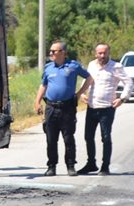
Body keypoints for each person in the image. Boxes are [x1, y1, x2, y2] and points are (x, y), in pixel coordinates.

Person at [33, 41, 92, 176]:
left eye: (54, 51)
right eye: (51, 51)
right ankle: (51, 166)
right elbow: (43, 86)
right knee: (51, 139)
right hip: (51, 107)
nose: (51, 54)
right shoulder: (48, 68)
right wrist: (37, 102)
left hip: (67, 108)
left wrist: (79, 93)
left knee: (68, 138)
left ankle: (71, 166)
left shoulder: (73, 66)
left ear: (63, 53)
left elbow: (89, 78)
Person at [79, 43, 131, 175]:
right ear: (95, 53)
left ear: (109, 53)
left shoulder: (116, 67)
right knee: (88, 137)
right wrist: (82, 94)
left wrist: (122, 98)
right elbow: (87, 80)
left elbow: (129, 82)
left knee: (106, 137)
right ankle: (91, 163)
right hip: (92, 106)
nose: (102, 56)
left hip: (107, 108)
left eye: (105, 53)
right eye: (100, 53)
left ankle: (105, 166)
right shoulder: (91, 65)